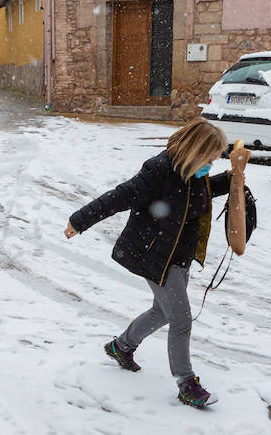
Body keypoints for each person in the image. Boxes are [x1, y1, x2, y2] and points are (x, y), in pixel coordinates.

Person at [64, 119, 248, 408]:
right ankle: (186, 383)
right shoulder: (159, 170)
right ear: (195, 151)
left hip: (179, 255)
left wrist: (230, 180)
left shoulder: (193, 173)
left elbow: (198, 194)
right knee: (181, 319)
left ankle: (120, 347)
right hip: (155, 257)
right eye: (210, 157)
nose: (212, 162)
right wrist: (80, 220)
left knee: (162, 312)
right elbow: (120, 196)